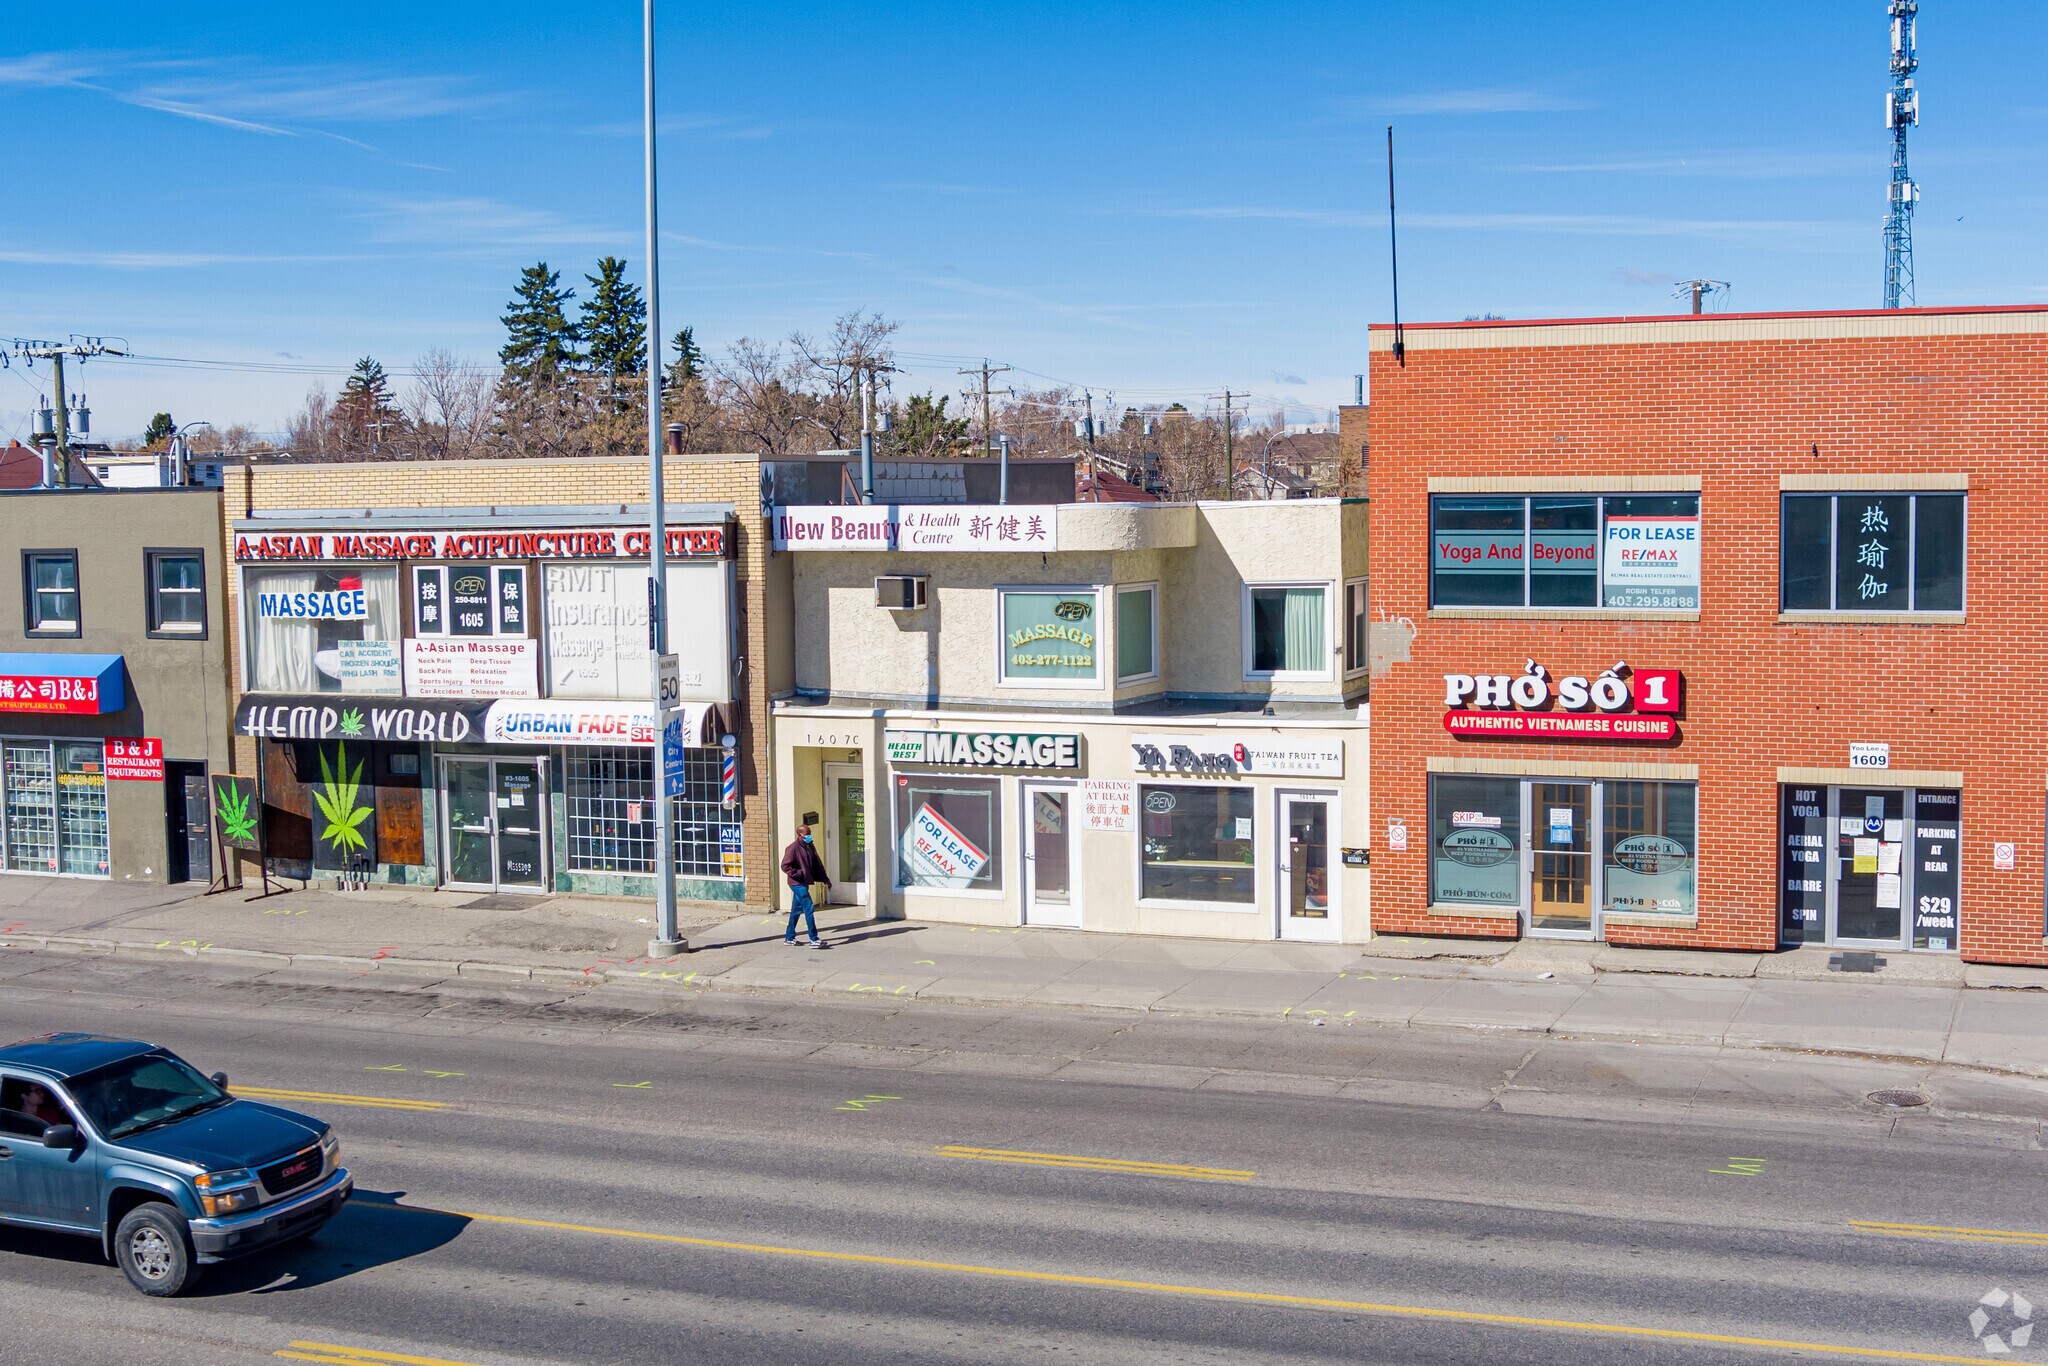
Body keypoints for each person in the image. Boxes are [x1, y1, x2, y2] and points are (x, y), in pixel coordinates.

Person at [780, 824, 831, 948]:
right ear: (800, 835)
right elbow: (785, 866)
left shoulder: (809, 845)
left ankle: (789, 937)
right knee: (809, 908)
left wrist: (825, 879)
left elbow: (817, 863)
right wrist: (799, 873)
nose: (809, 836)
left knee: (796, 910)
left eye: (810, 833)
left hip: (803, 882)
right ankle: (814, 939)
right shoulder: (793, 848)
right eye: (806, 834)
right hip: (797, 883)